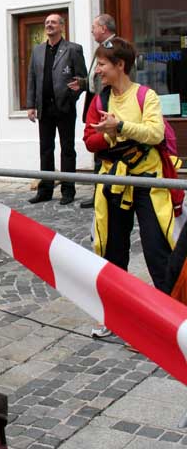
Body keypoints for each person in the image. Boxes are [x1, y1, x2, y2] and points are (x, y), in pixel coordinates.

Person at [83, 38, 177, 336]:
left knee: (158, 250)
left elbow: (155, 133)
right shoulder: (99, 101)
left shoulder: (146, 96)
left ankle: (173, 322)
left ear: (120, 65)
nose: (98, 70)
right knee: (113, 252)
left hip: (147, 183)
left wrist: (120, 127)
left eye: (102, 64)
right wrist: (109, 136)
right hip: (114, 183)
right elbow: (89, 141)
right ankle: (115, 318)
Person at [26, 14, 87, 205]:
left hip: (64, 107)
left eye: (53, 22)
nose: (49, 25)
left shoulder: (73, 49)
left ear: (62, 26)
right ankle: (45, 190)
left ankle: (68, 191)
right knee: (45, 149)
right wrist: (30, 105)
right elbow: (32, 79)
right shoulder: (37, 50)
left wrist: (71, 98)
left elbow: (82, 80)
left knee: (67, 149)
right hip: (44, 107)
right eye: (47, 23)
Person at [67, 14, 117, 210]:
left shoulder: (113, 48)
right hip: (98, 104)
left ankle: (103, 193)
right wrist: (82, 83)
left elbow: (113, 78)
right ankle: (99, 193)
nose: (91, 30)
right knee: (99, 151)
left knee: (104, 151)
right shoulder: (104, 47)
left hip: (107, 105)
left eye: (94, 26)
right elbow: (97, 79)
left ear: (104, 28)